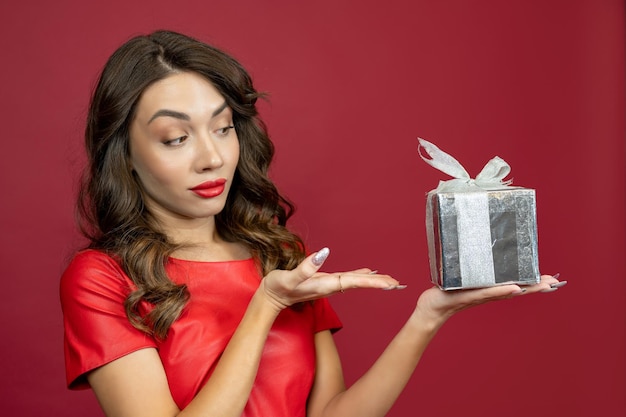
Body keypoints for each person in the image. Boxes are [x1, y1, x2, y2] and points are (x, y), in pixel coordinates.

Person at [60, 30, 565, 417]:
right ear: (124, 155)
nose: (212, 157)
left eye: (222, 128)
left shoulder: (277, 255)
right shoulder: (102, 278)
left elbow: (331, 413)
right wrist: (267, 305)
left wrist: (428, 317)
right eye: (176, 138)